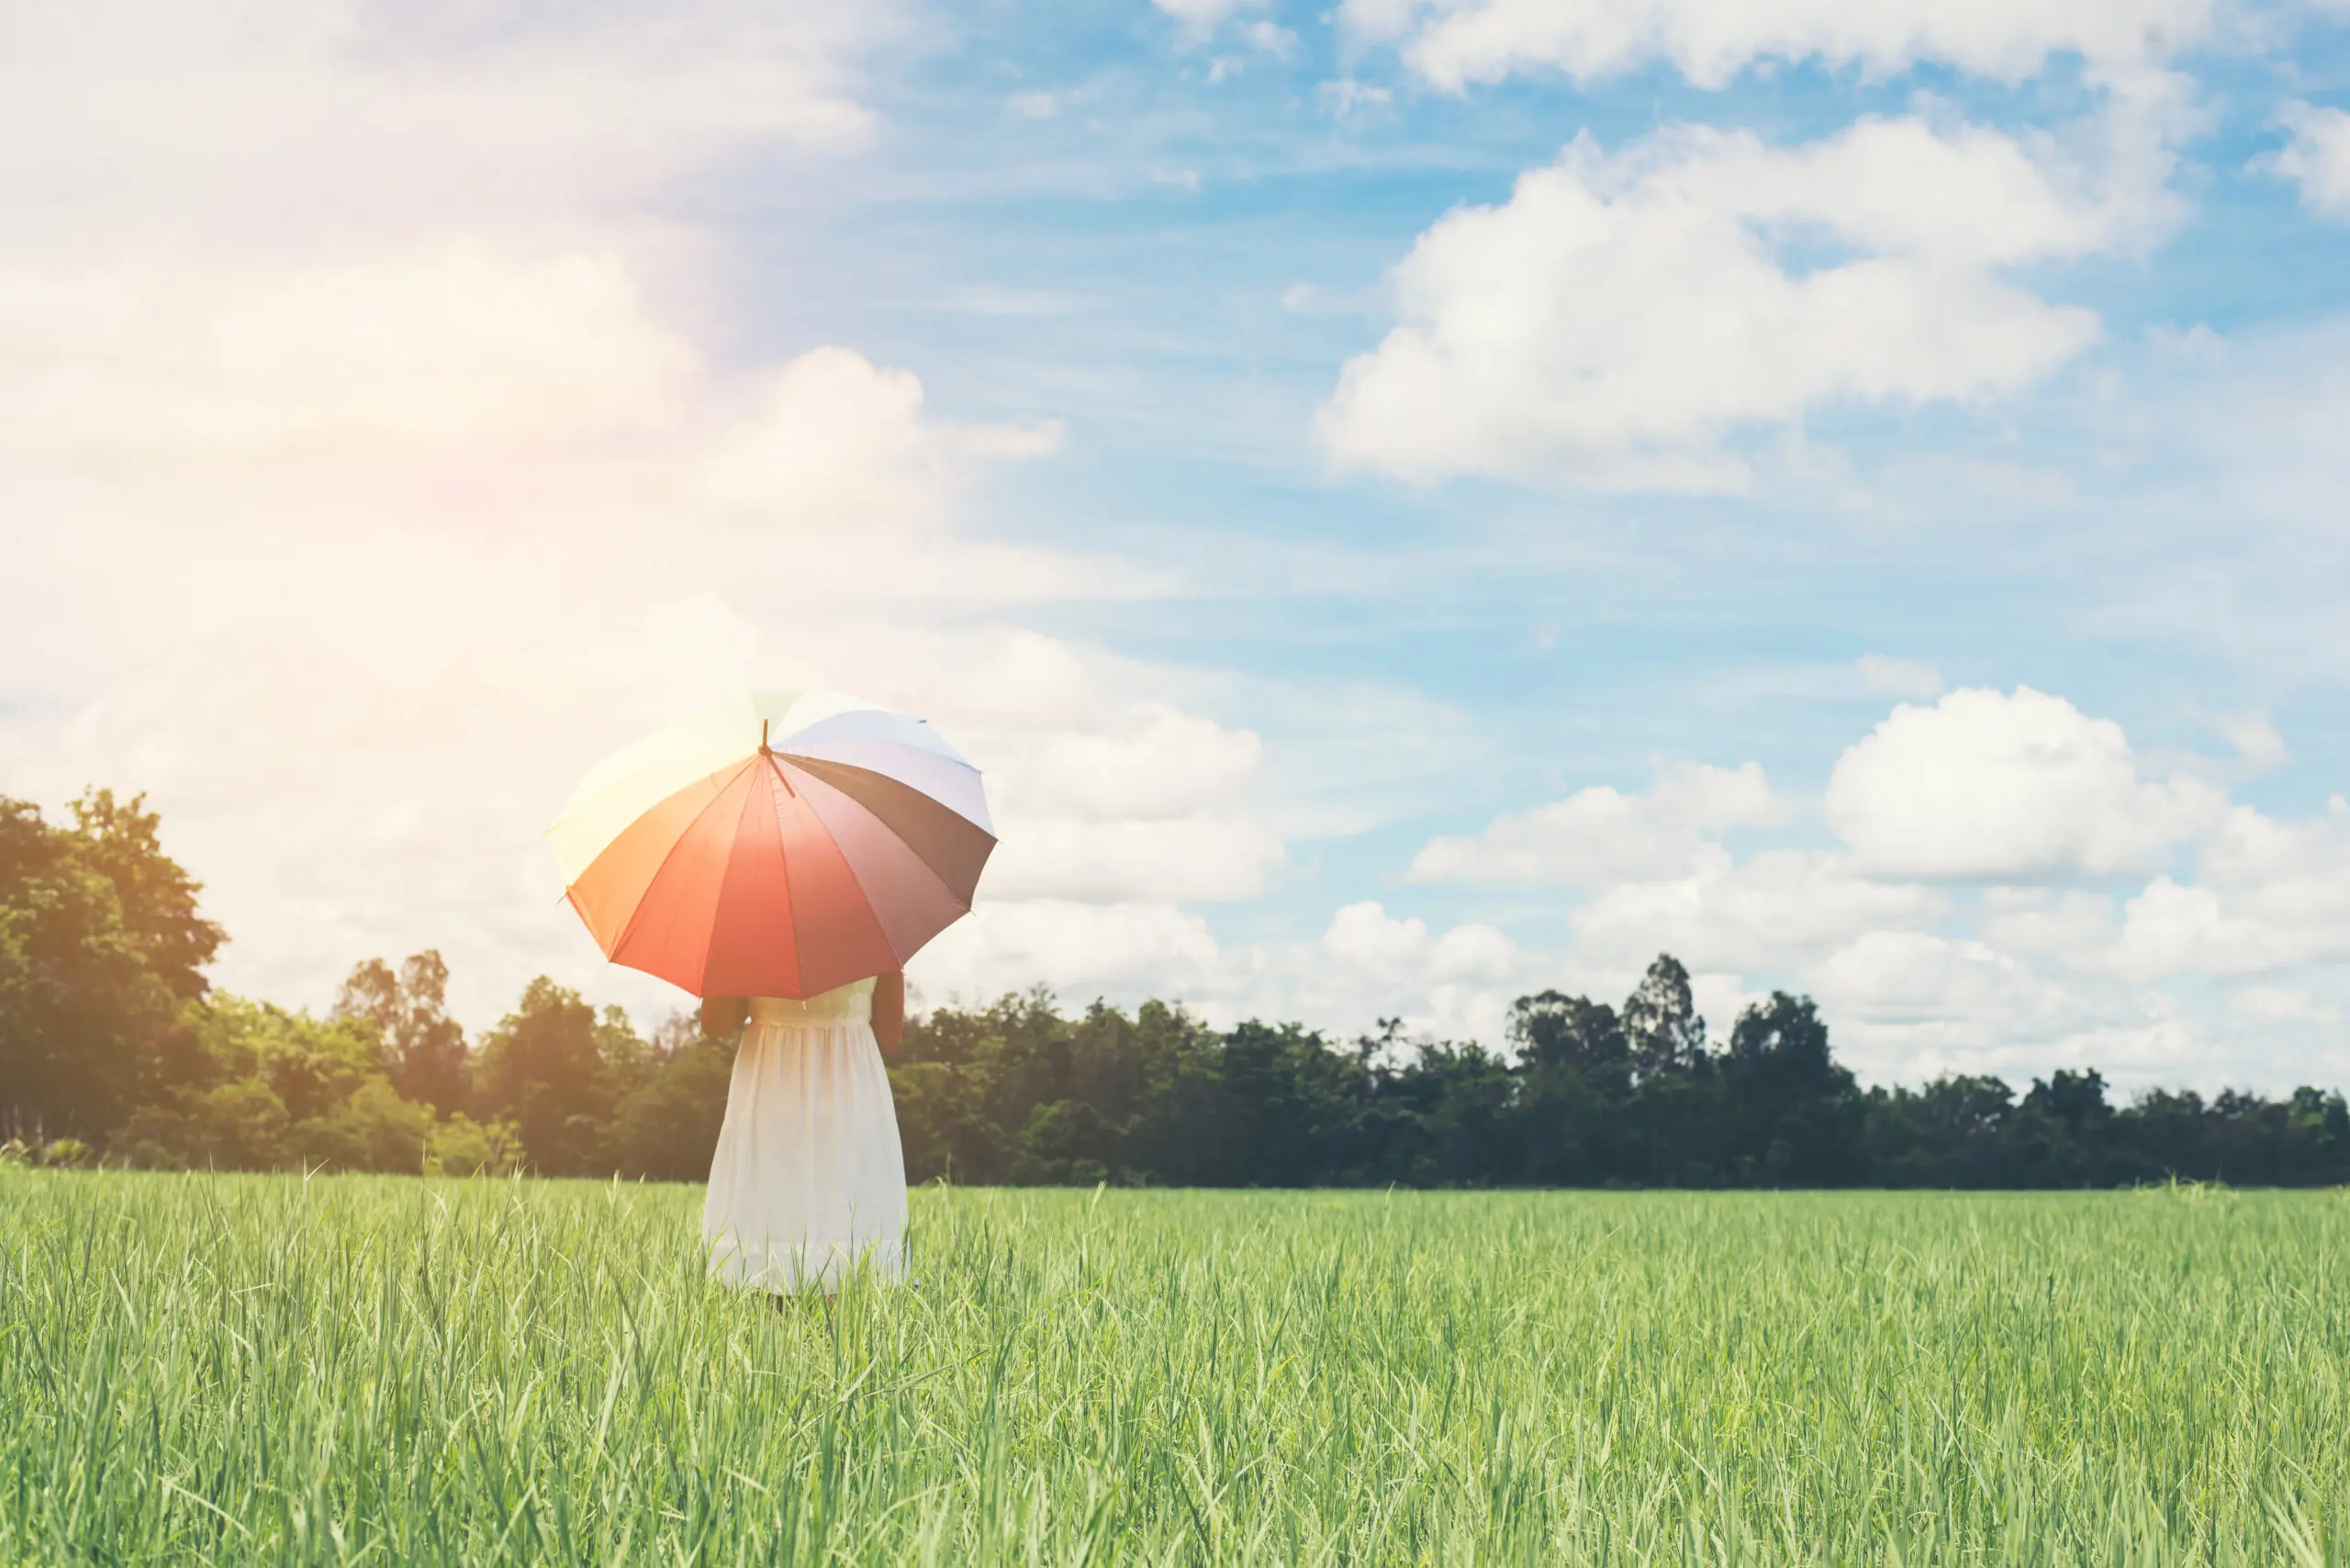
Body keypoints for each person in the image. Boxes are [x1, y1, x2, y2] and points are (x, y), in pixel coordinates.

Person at [698, 969, 909, 1298]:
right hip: (849, 1074)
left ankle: (767, 1300)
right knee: (847, 1187)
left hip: (772, 1075)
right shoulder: (878, 936)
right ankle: (842, 1306)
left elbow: (715, 1024)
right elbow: (890, 1035)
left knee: (771, 1186)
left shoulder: (748, 933)